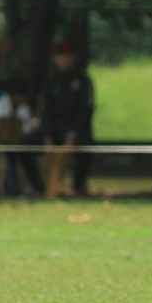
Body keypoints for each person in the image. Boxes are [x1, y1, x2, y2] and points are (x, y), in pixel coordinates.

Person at [39, 39, 94, 198]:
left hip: (76, 132)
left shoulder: (83, 81)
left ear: (73, 58)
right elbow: (46, 111)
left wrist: (71, 136)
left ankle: (77, 188)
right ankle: (38, 187)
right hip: (55, 131)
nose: (62, 59)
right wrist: (47, 136)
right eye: (60, 55)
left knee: (86, 147)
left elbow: (85, 112)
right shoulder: (51, 82)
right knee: (26, 145)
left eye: (66, 55)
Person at [0, 77, 45, 195]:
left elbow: (26, 124)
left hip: (17, 143)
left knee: (22, 153)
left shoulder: (23, 107)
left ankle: (20, 187)